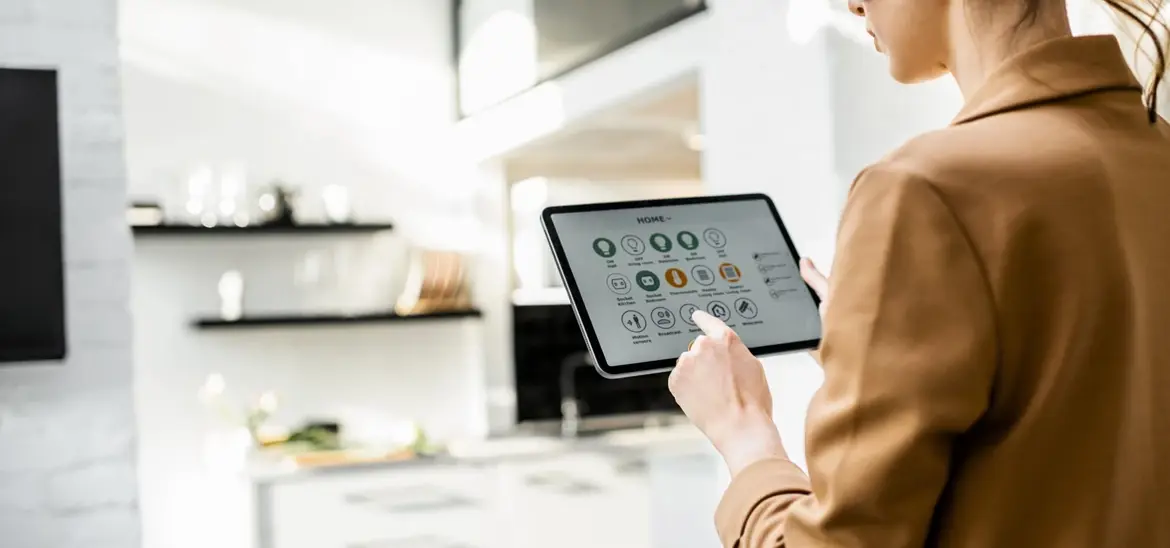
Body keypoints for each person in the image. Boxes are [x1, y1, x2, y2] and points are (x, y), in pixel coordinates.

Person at [667, 0, 1170, 546]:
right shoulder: (1156, 148)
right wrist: (877, 351)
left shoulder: (923, 189)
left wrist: (747, 438)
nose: (853, 4)